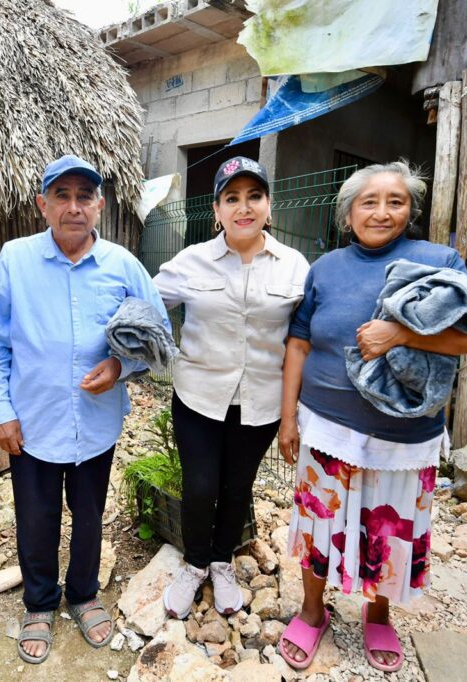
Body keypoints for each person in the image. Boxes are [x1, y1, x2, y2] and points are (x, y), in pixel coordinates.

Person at [277, 161, 467, 673]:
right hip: (326, 427)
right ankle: (313, 610)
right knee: (318, 522)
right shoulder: (325, 268)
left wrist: (402, 334)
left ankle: (378, 615)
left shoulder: (435, 260)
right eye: (368, 202)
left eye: (394, 201)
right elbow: (299, 343)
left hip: (403, 435)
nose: (381, 212)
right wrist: (288, 418)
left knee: (390, 530)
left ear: (409, 210)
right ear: (347, 211)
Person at [0, 154, 169, 664]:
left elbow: (159, 337)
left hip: (96, 425)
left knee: (88, 516)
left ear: (100, 205)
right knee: (35, 519)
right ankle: (40, 603)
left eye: (84, 196)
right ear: (42, 204)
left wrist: (120, 368)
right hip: (33, 423)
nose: (73, 207)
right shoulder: (15, 259)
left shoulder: (124, 265)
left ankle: (83, 594)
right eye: (61, 196)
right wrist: (1, 410)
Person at [152, 156, 310, 618]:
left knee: (238, 486)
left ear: (268, 205)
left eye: (254, 196)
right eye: (232, 198)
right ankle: (194, 562)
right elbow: (143, 302)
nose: (244, 207)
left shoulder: (294, 267)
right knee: (201, 486)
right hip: (199, 396)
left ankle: (221, 562)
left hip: (261, 402)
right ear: (217, 210)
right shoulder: (191, 261)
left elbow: (309, 333)